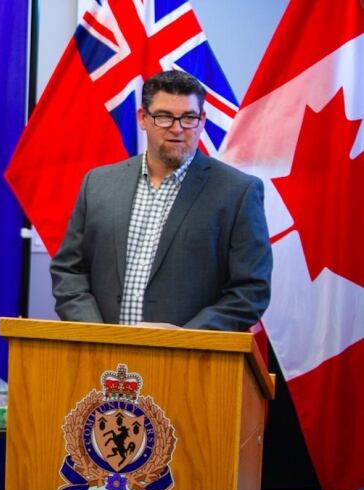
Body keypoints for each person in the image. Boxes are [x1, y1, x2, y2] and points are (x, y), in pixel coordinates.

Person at [50, 70, 272, 331]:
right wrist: (97, 335)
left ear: (202, 120)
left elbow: (250, 290)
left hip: (188, 363)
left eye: (188, 118)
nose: (177, 129)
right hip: (103, 360)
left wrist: (183, 338)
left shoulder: (238, 192)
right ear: (143, 118)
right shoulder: (97, 184)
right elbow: (69, 271)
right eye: (164, 117)